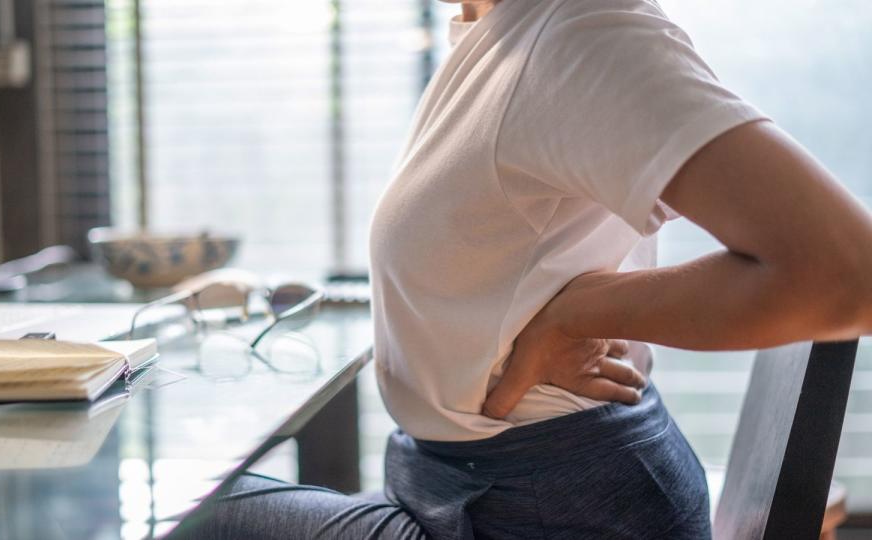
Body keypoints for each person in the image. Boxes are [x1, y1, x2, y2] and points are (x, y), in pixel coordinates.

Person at [171, 0, 872, 538]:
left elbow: (848, 274)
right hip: (473, 493)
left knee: (179, 516)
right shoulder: (499, 34)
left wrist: (579, 313)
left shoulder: (579, 37)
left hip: (551, 512)